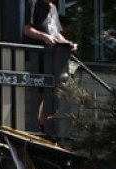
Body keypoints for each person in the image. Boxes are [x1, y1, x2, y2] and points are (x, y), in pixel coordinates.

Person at [23, 0, 75, 128]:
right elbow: (27, 29)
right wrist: (44, 37)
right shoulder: (33, 4)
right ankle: (36, 125)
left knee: (51, 91)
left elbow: (56, 33)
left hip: (52, 58)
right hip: (37, 56)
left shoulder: (53, 8)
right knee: (39, 92)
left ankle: (43, 123)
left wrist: (68, 43)